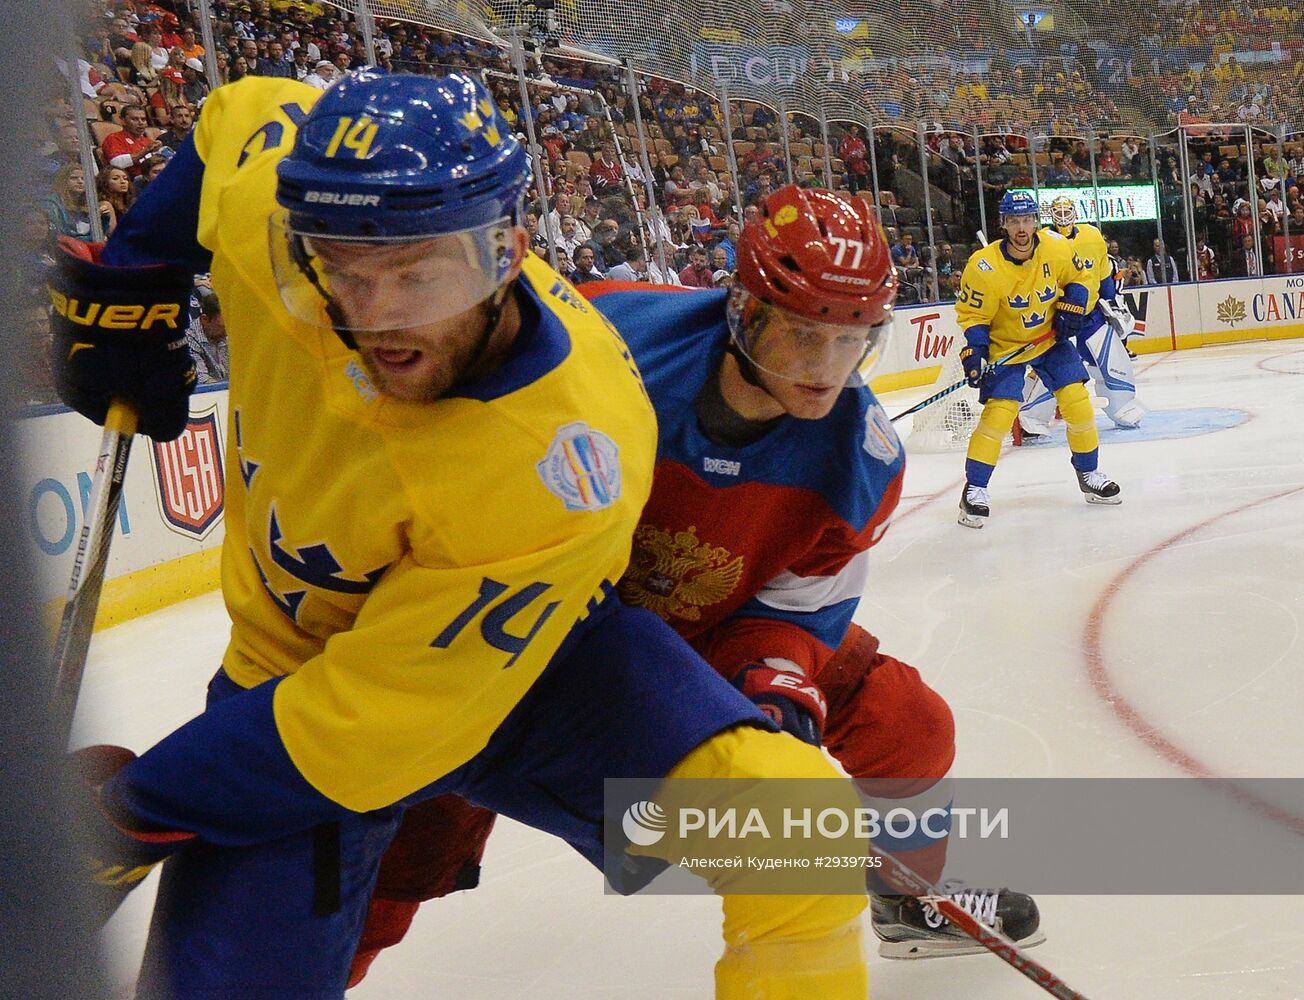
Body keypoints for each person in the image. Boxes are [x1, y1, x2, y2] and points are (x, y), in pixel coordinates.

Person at [50, 71, 867, 1000]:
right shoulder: (274, 225)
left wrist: (129, 814)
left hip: (519, 667)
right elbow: (239, 115)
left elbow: (364, 733)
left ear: (508, 250)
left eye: (421, 271)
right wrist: (132, 276)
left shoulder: (565, 457)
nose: (381, 316)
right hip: (297, 673)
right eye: (346, 268)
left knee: (799, 835)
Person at [347, 185, 1045, 983]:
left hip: (698, 629)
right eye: (801, 338)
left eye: (851, 344)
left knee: (905, 719)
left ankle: (906, 890)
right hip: (521, 620)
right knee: (406, 831)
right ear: (743, 312)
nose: (825, 373)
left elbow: (795, 608)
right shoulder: (605, 337)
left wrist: (776, 696)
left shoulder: (862, 461)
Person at [954, 191, 1122, 527]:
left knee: (1078, 403)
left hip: (1049, 340)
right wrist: (976, 352)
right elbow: (974, 317)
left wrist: (1073, 304)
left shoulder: (1056, 247)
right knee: (999, 416)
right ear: (1003, 223)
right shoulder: (983, 266)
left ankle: (1089, 473)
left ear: (1036, 221)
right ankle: (974, 489)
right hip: (1006, 347)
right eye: (1014, 221)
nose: (1021, 227)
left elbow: (1080, 279)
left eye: (1027, 219)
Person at [1018, 196, 1146, 435]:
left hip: (1090, 315)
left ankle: (1124, 406)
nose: (1063, 217)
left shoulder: (1092, 236)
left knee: (1114, 359)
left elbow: (1103, 275)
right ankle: (1031, 416)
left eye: (1068, 211)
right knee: (1054, 367)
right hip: (1058, 320)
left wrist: (1112, 303)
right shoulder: (1042, 240)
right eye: (1059, 212)